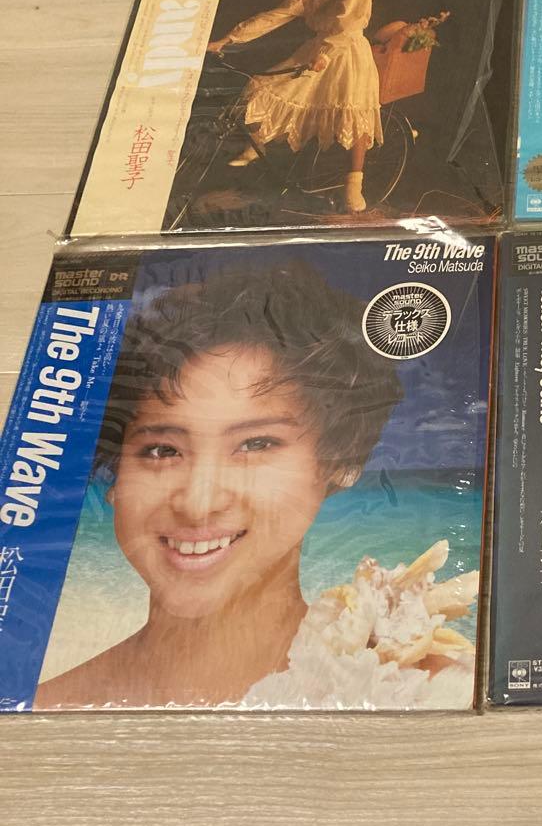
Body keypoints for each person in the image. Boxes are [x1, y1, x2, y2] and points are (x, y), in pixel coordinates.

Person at [34, 262, 403, 709]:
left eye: (255, 444)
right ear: (115, 473)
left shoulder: (407, 689)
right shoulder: (39, 712)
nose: (198, 502)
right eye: (162, 450)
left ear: (338, 461)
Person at [205, 0, 382, 213]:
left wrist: (326, 55)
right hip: (314, 51)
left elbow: (348, 24)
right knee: (262, 87)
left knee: (352, 114)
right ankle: (257, 144)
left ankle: (353, 186)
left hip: (348, 52)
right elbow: (272, 17)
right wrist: (227, 39)